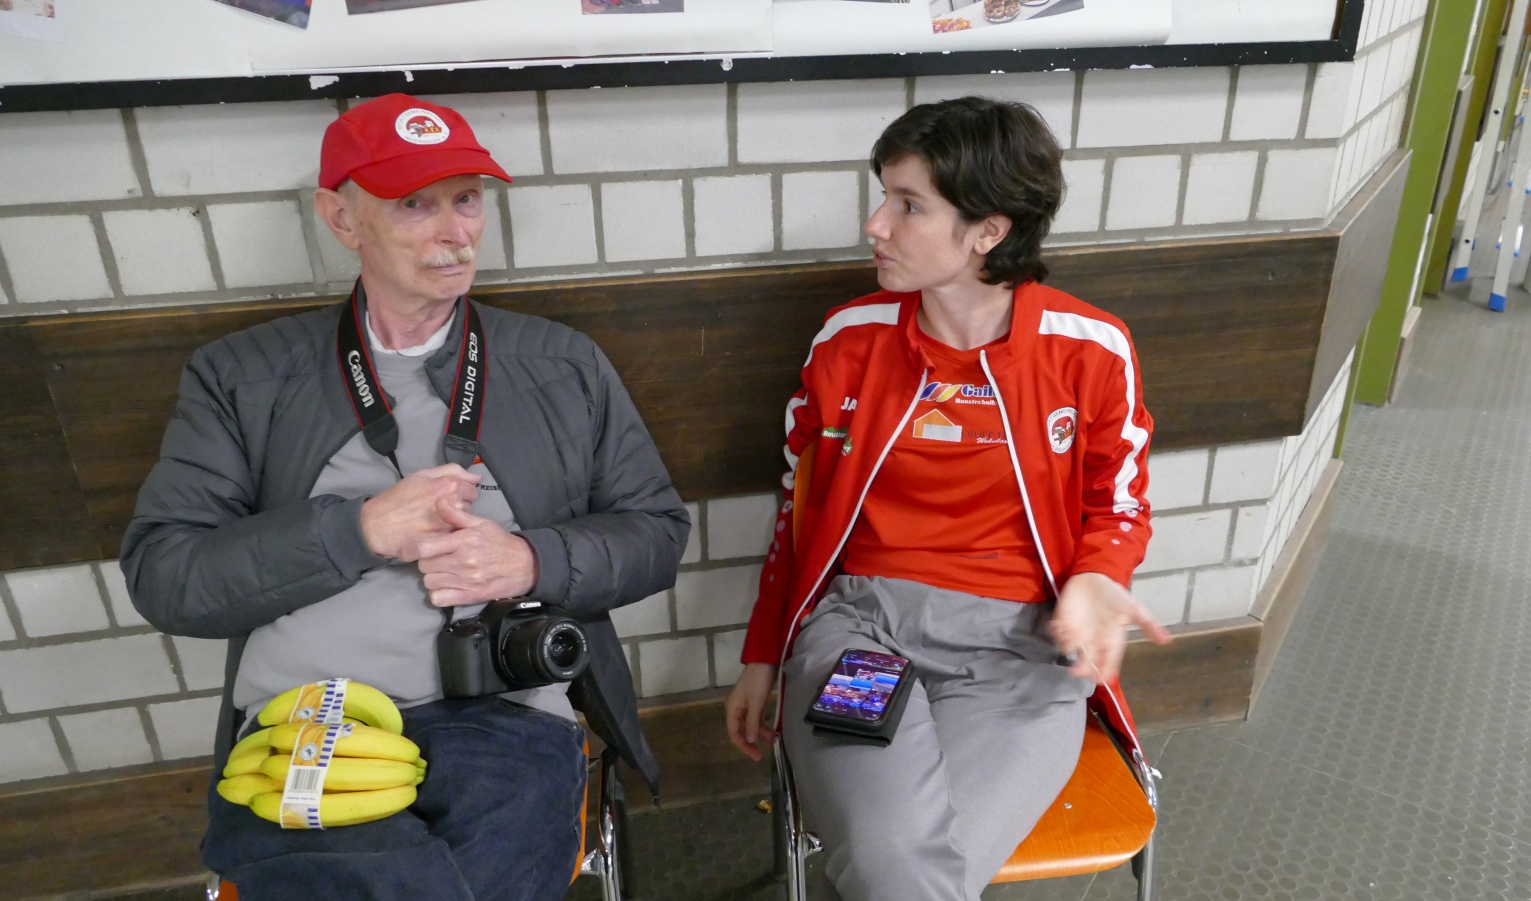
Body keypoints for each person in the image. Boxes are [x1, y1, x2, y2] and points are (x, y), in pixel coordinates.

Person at [121, 94, 689, 901]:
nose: (455, 233)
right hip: (308, 716)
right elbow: (165, 573)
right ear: (341, 219)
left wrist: (532, 559)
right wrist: (358, 531)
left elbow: (657, 531)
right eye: (415, 205)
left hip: (504, 714)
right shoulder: (240, 376)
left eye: (467, 199)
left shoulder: (561, 364)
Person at [723, 97, 1173, 901]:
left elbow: (1120, 504)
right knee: (894, 860)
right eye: (884, 197)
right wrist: (764, 651)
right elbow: (799, 509)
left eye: (908, 205)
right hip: (863, 633)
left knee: (898, 871)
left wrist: (1099, 574)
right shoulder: (849, 339)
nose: (875, 225)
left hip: (1018, 653)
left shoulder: (1091, 350)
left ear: (988, 231)